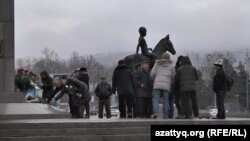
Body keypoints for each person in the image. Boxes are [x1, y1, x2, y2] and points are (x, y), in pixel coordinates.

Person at [150, 53, 175, 119]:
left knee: (156, 100)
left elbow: (152, 74)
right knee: (166, 100)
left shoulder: (157, 64)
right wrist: (170, 82)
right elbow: (173, 77)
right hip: (166, 85)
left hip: (157, 84)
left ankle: (155, 113)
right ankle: (166, 115)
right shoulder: (172, 66)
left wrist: (154, 80)